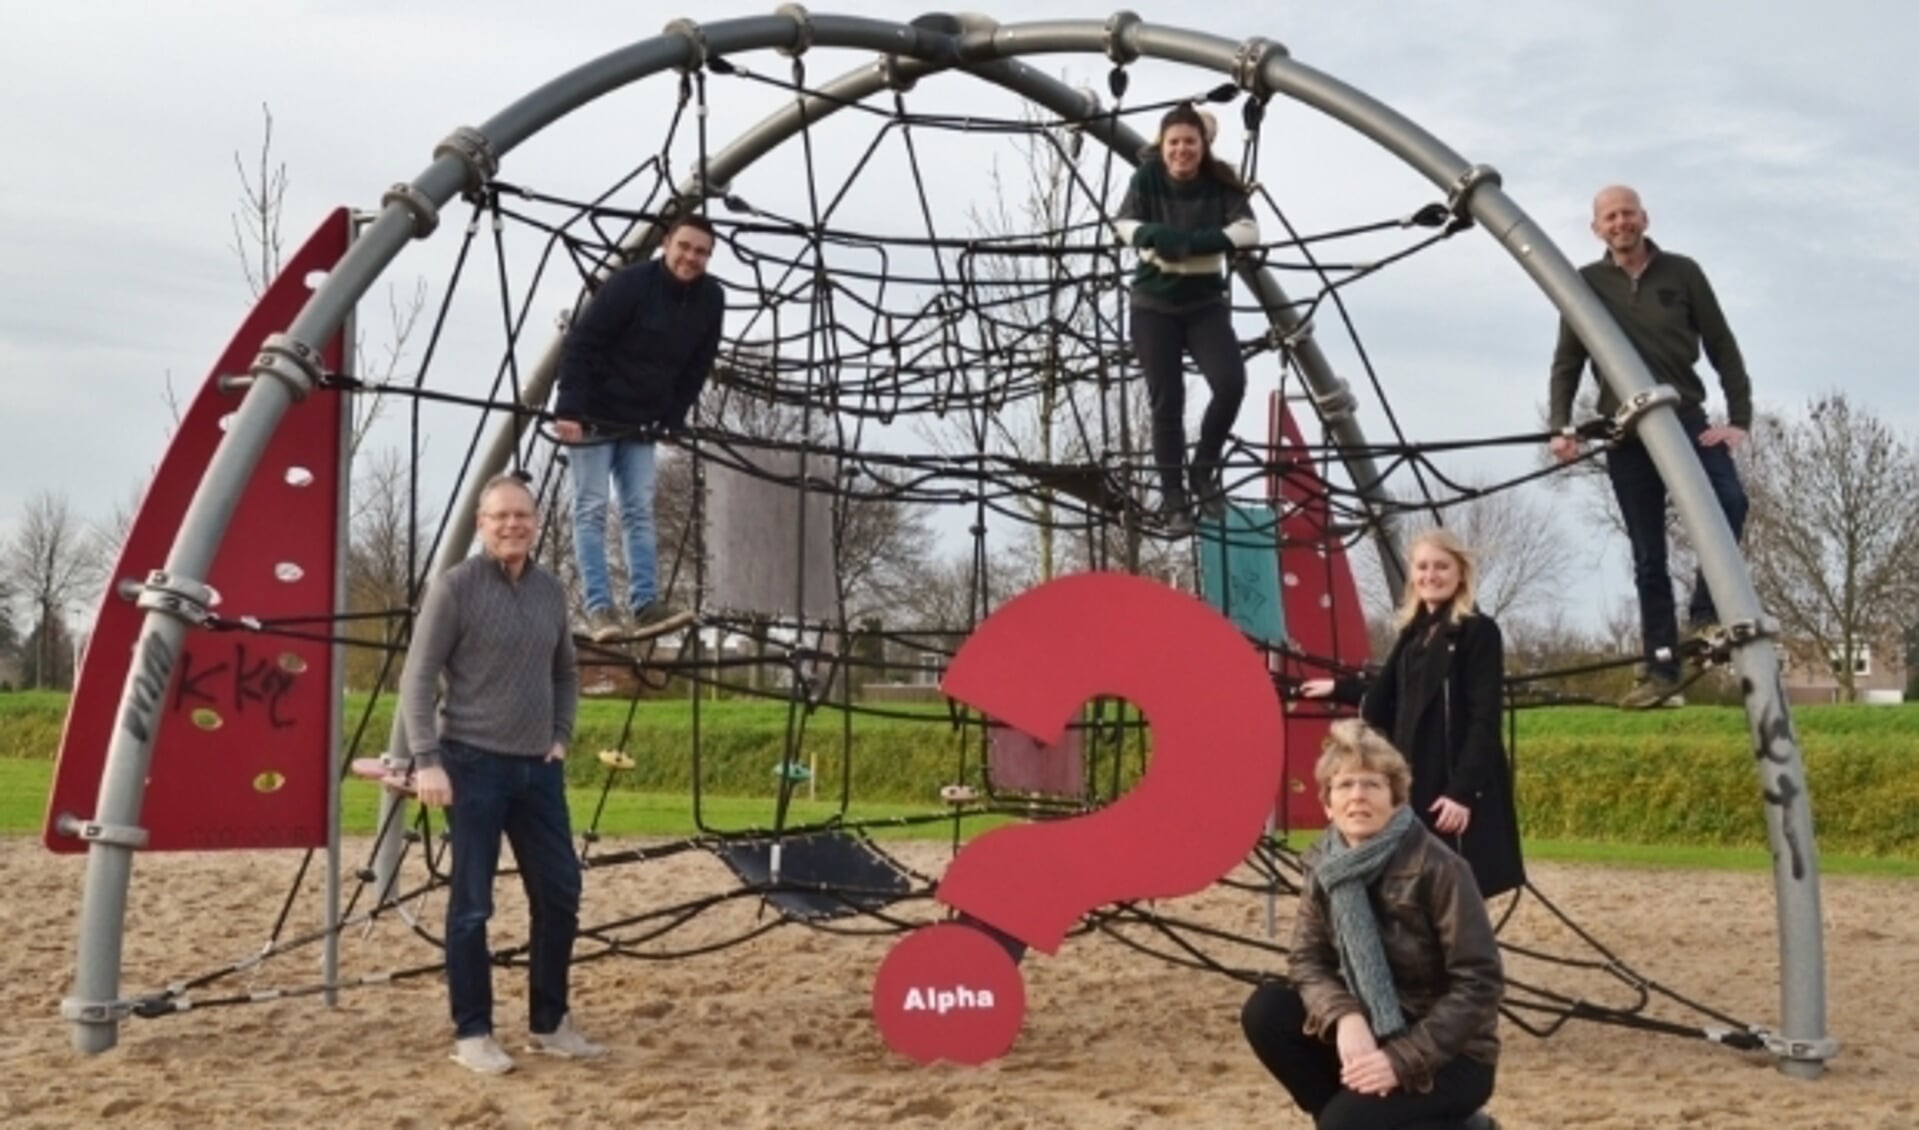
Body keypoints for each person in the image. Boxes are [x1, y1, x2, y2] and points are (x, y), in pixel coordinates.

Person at [400, 474, 603, 1074]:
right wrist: (427, 760)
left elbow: (565, 672)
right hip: (471, 763)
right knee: (472, 905)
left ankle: (549, 1022)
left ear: (536, 522)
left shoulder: (549, 591)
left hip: (538, 771)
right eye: (500, 516)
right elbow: (417, 677)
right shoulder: (455, 589)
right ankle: (474, 1033)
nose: (512, 525)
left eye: (523, 515)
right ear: (481, 524)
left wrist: (562, 737)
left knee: (560, 892)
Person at [1547, 185, 1752, 709]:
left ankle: (1705, 616)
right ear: (1597, 228)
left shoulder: (1682, 272)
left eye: (1628, 213)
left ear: (1644, 218)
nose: (1621, 223)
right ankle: (1661, 665)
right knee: (1648, 551)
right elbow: (1567, 361)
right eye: (1610, 216)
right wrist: (1560, 425)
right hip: (1628, 430)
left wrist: (1740, 419)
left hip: (1683, 416)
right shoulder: (1586, 283)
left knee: (1730, 501)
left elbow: (1723, 345)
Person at [1241, 720, 1503, 1130]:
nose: (1357, 796)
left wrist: (1400, 1059)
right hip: (1369, 1030)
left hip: (1451, 1053)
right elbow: (1307, 960)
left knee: (1345, 1123)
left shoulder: (1440, 868)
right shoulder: (1325, 865)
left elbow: (1479, 982)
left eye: (1372, 785)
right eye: (1344, 786)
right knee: (1267, 1012)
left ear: (1396, 800)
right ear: (1328, 805)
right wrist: (1344, 1016)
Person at [1300, 529, 1524, 899]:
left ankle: (1458, 957)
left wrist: (1463, 791)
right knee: (1413, 886)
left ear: (1460, 574)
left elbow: (1485, 719)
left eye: (1441, 566)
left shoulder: (1477, 632)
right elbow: (1391, 695)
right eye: (1422, 567)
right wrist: (1338, 688)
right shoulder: (1414, 635)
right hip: (1412, 778)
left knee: (1453, 889)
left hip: (1447, 780)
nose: (1430, 575)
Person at [555, 212, 725, 642]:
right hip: (595, 411)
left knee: (639, 510)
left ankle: (646, 603)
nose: (690, 257)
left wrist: (672, 418)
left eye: (701, 251)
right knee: (591, 507)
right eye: (684, 246)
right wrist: (570, 407)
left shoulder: (710, 299)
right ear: (665, 244)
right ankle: (599, 609)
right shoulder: (630, 285)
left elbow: (696, 364)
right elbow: (582, 342)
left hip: (640, 419)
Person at [1113, 101, 1260, 538]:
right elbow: (1123, 223)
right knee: (1167, 401)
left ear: (1203, 145)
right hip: (1153, 306)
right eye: (1174, 142)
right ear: (1163, 145)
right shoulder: (1148, 177)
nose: (1182, 150)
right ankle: (1175, 499)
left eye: (1190, 142)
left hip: (1203, 305)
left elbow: (1249, 232)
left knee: (1231, 383)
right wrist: (1152, 235)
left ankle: (1204, 470)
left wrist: (1198, 243)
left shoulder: (1220, 181)